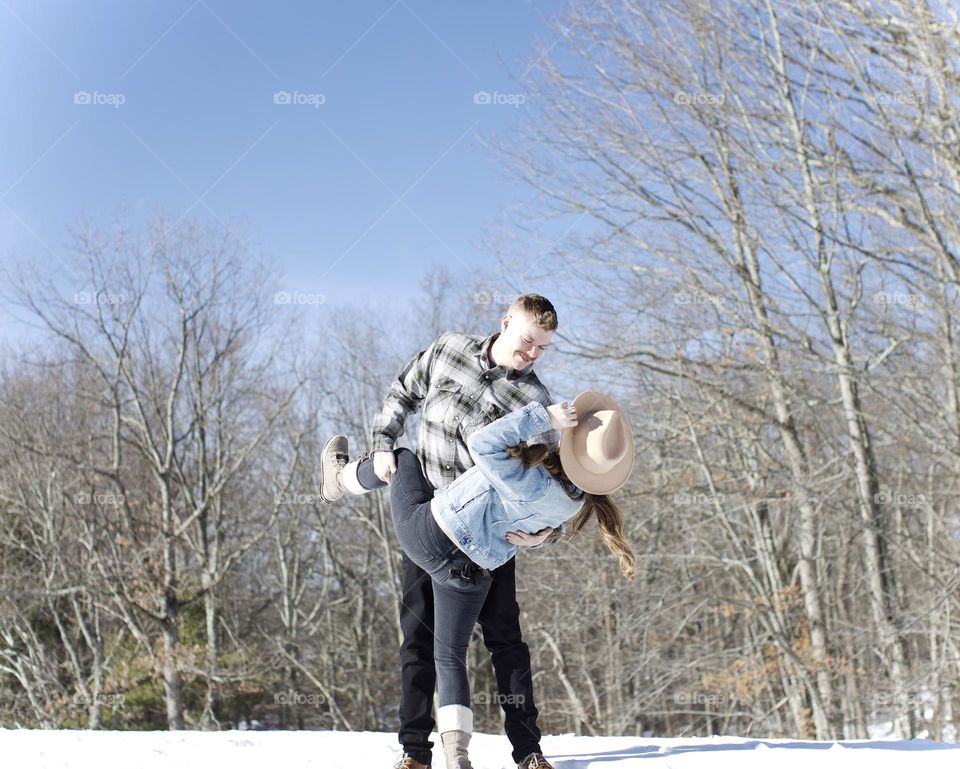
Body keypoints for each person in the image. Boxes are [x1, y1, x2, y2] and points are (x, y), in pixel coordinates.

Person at [321, 391, 636, 769]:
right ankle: (458, 757)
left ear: (567, 442)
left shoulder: (523, 474)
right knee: (450, 656)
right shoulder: (573, 503)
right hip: (471, 574)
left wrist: (543, 417)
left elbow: (481, 442)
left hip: (428, 535)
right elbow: (541, 521)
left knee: (402, 457)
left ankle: (340, 479)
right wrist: (543, 537)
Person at [319, 295, 565, 769]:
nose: (533, 354)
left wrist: (545, 535)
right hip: (427, 515)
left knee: (505, 641)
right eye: (529, 341)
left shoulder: (536, 402)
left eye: (543, 348)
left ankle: (529, 752)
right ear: (507, 322)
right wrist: (384, 444)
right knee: (417, 635)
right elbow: (402, 393)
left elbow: (549, 484)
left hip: (488, 534)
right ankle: (415, 751)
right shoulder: (449, 350)